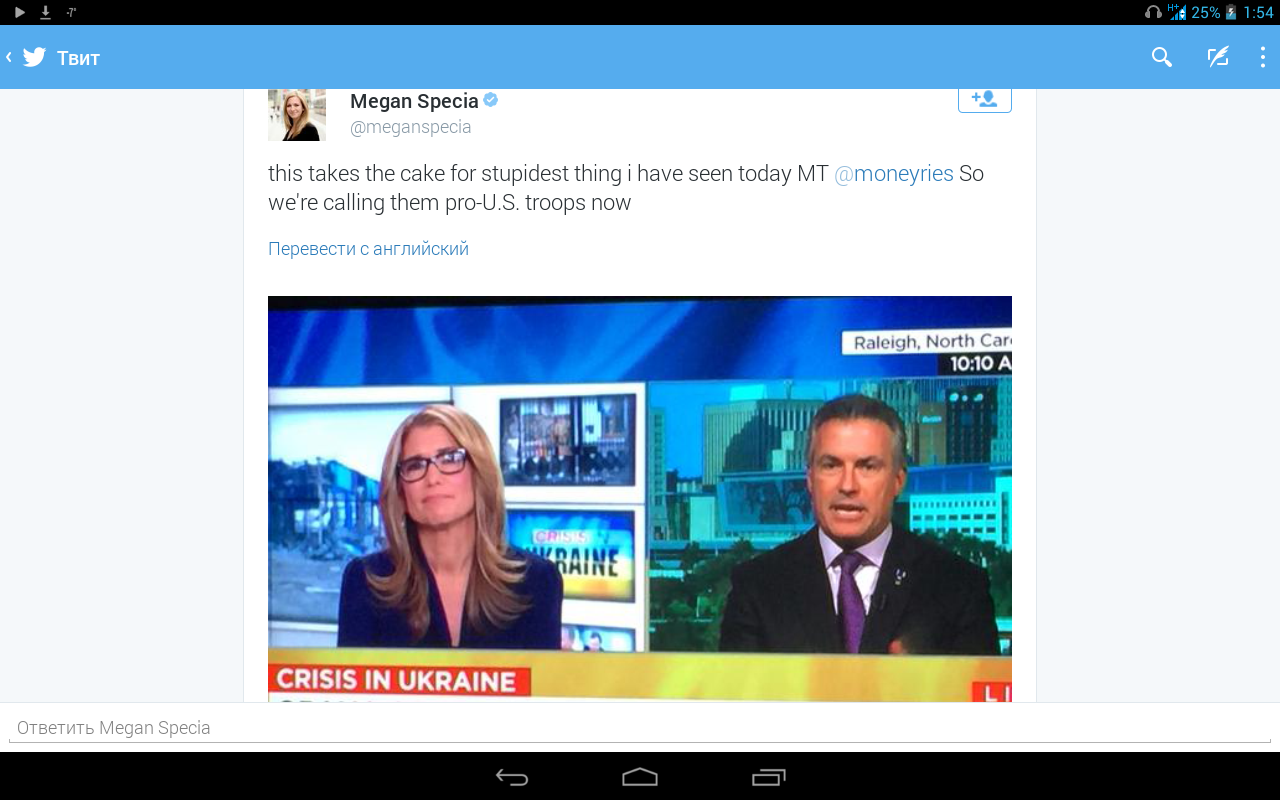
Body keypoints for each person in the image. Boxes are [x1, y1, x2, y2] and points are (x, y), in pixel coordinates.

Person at [719, 395, 999, 656]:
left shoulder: (958, 587)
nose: (847, 485)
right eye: (831, 465)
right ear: (810, 478)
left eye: (867, 467)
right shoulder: (757, 586)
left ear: (898, 481)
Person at [338, 404, 563, 649]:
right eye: (415, 465)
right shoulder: (366, 581)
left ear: (480, 473)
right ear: (400, 492)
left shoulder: (537, 581)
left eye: (450, 458)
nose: (433, 478)